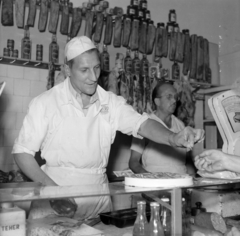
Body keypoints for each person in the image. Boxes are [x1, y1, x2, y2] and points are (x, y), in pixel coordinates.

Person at [12, 36, 204, 220]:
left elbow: (142, 123)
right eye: (84, 70)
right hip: (55, 196)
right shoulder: (45, 103)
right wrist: (53, 191)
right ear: (67, 70)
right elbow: (21, 152)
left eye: (96, 68)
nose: (93, 77)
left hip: (97, 199)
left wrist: (173, 138)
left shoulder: (110, 102)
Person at [129, 82, 195, 175]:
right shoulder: (144, 124)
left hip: (180, 182)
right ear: (157, 101)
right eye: (169, 97)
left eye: (175, 97)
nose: (174, 101)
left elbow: (188, 161)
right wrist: (151, 179)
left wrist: (192, 181)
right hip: (154, 184)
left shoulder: (180, 125)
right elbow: (134, 162)